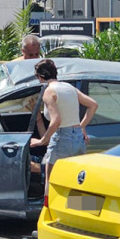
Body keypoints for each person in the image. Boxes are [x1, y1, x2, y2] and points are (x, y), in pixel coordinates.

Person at [30, 59, 98, 198]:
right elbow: (93, 105)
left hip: (62, 138)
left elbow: (56, 120)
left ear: (40, 76)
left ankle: (48, 213)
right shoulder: (69, 87)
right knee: (75, 182)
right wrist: (80, 127)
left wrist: (42, 141)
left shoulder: (49, 92)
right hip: (78, 139)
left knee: (51, 182)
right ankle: (79, 211)